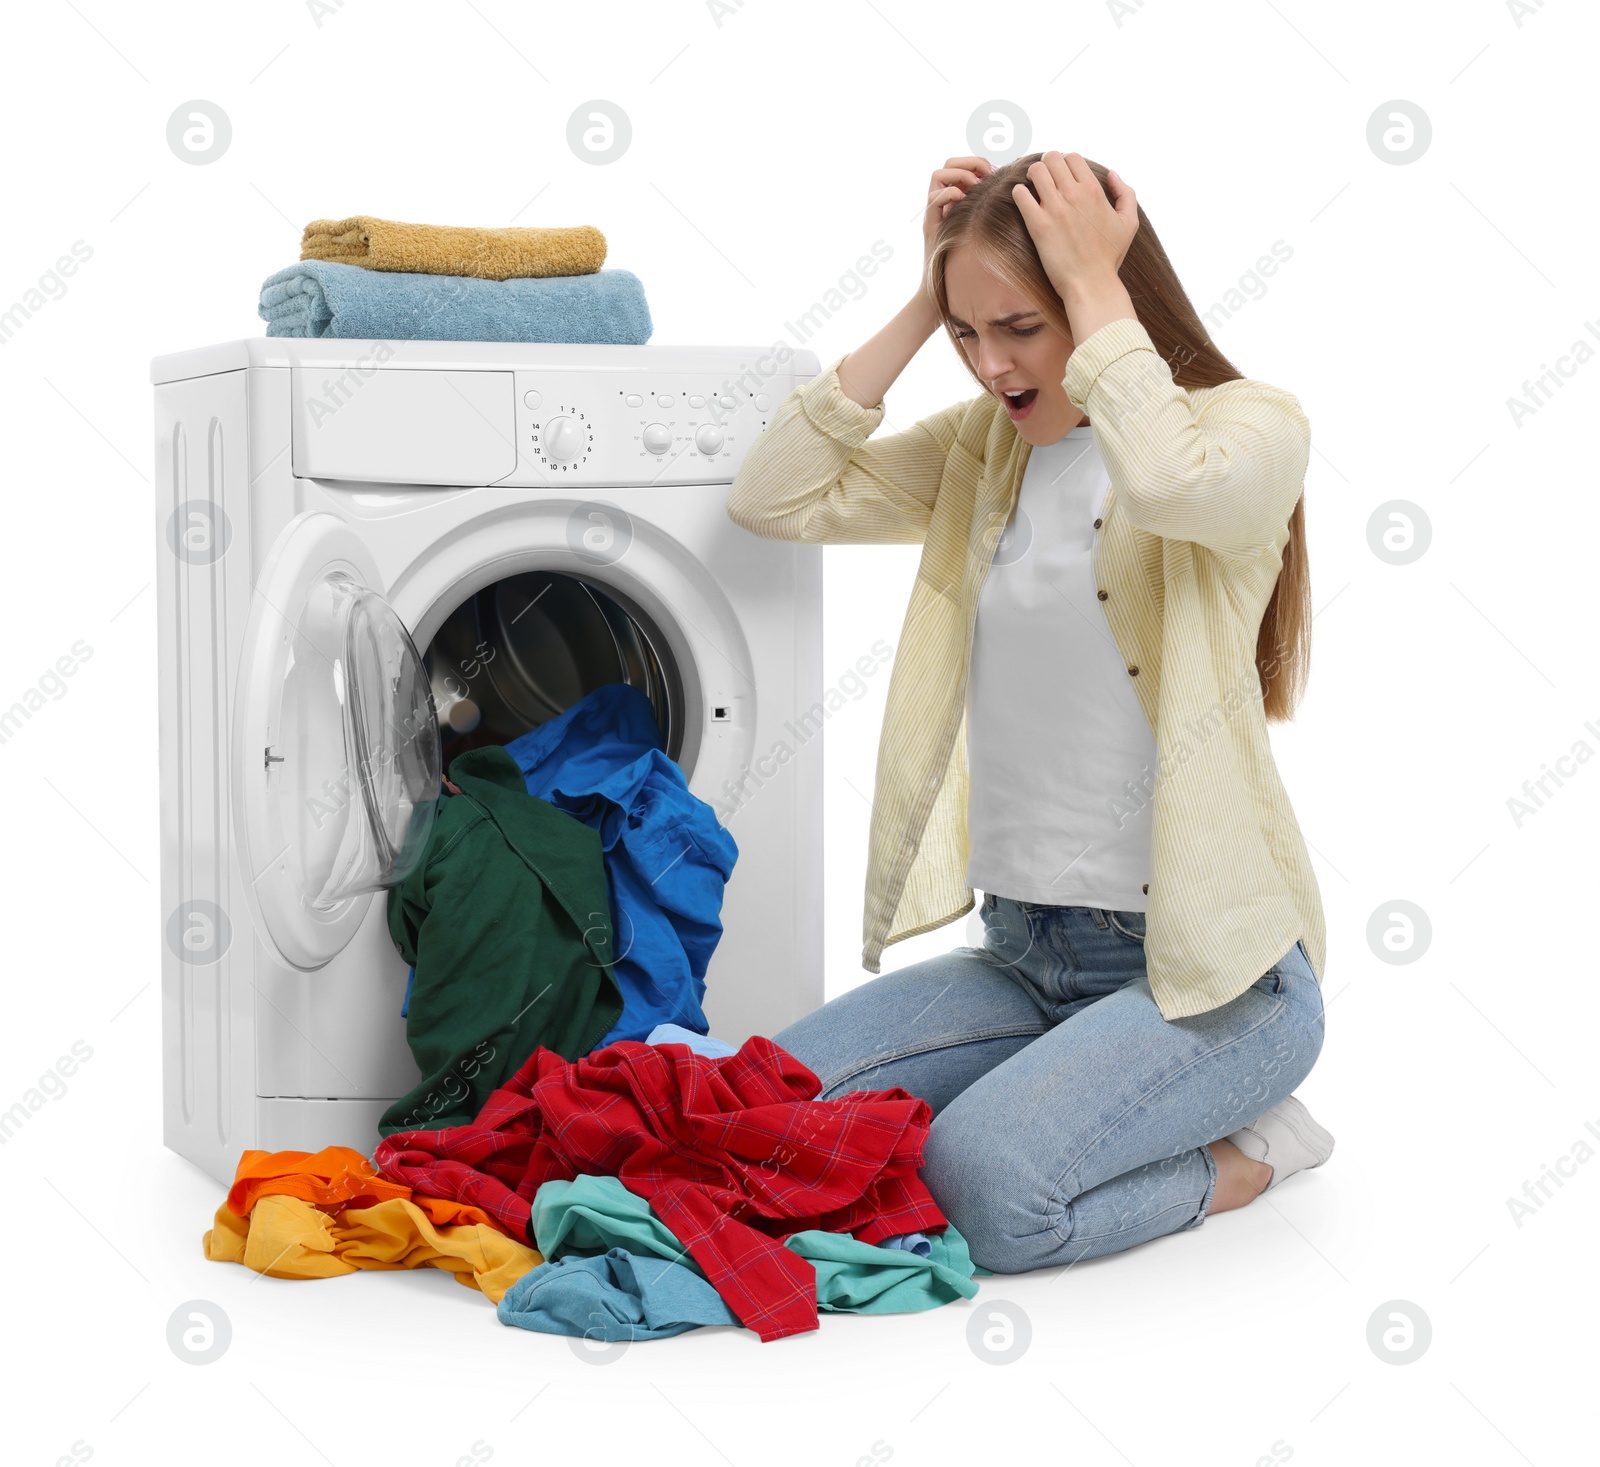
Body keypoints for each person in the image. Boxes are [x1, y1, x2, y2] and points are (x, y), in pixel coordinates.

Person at [725, 151, 1334, 1274]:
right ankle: (1081, 1088)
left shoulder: (1244, 429)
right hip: (1022, 953)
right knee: (757, 1118)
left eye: (1021, 327)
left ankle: (1243, 1160)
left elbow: (1168, 487)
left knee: (988, 1189)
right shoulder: (983, 451)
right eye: (970, 335)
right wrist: (927, 293)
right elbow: (775, 497)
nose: (991, 366)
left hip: (1209, 979)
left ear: (1104, 300)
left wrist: (1097, 281)